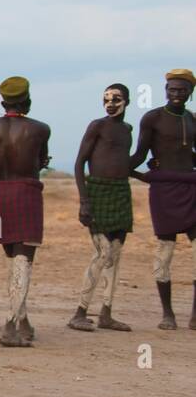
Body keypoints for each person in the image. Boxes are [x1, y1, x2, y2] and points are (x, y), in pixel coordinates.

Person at [0, 76, 51, 348]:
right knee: (24, 260)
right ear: (28, 101)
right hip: (27, 191)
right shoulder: (40, 129)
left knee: (12, 257)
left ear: (2, 102)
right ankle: (10, 325)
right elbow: (40, 160)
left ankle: (22, 320)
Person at [129, 68, 196, 329]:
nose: (176, 94)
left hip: (190, 188)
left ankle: (194, 315)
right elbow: (139, 153)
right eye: (172, 89)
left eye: (182, 90)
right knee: (164, 252)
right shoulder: (153, 118)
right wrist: (126, 170)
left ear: (191, 92)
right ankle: (167, 314)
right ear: (165, 91)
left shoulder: (192, 120)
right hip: (163, 191)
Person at [69, 83, 134, 331]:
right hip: (97, 192)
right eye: (106, 99)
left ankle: (106, 313)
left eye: (116, 99)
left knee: (115, 255)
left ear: (127, 101)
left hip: (120, 192)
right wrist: (84, 201)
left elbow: (125, 162)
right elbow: (79, 164)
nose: (110, 104)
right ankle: (79, 312)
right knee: (103, 253)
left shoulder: (127, 129)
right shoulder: (97, 126)